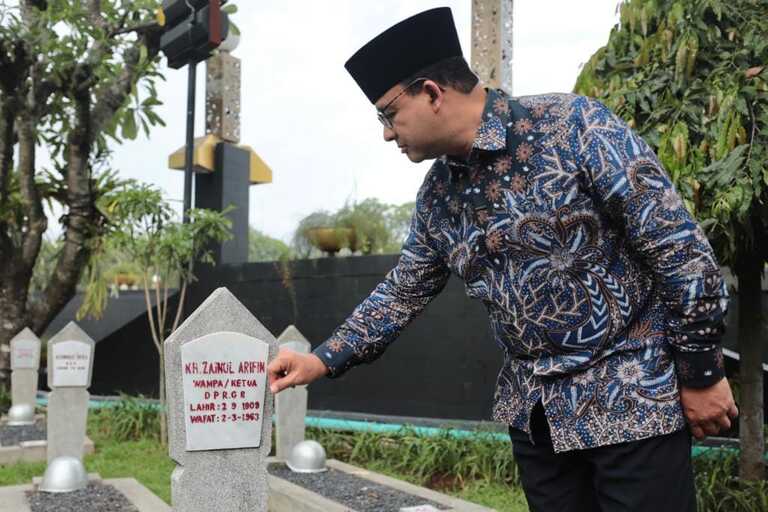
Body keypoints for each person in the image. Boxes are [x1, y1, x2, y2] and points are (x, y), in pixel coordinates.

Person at [268, 7, 738, 511]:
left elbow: (681, 253)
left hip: (632, 404)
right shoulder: (438, 197)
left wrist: (701, 374)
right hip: (537, 422)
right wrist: (321, 358)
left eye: (388, 113)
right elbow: (402, 290)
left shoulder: (575, 127)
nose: (386, 132)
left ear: (431, 93)